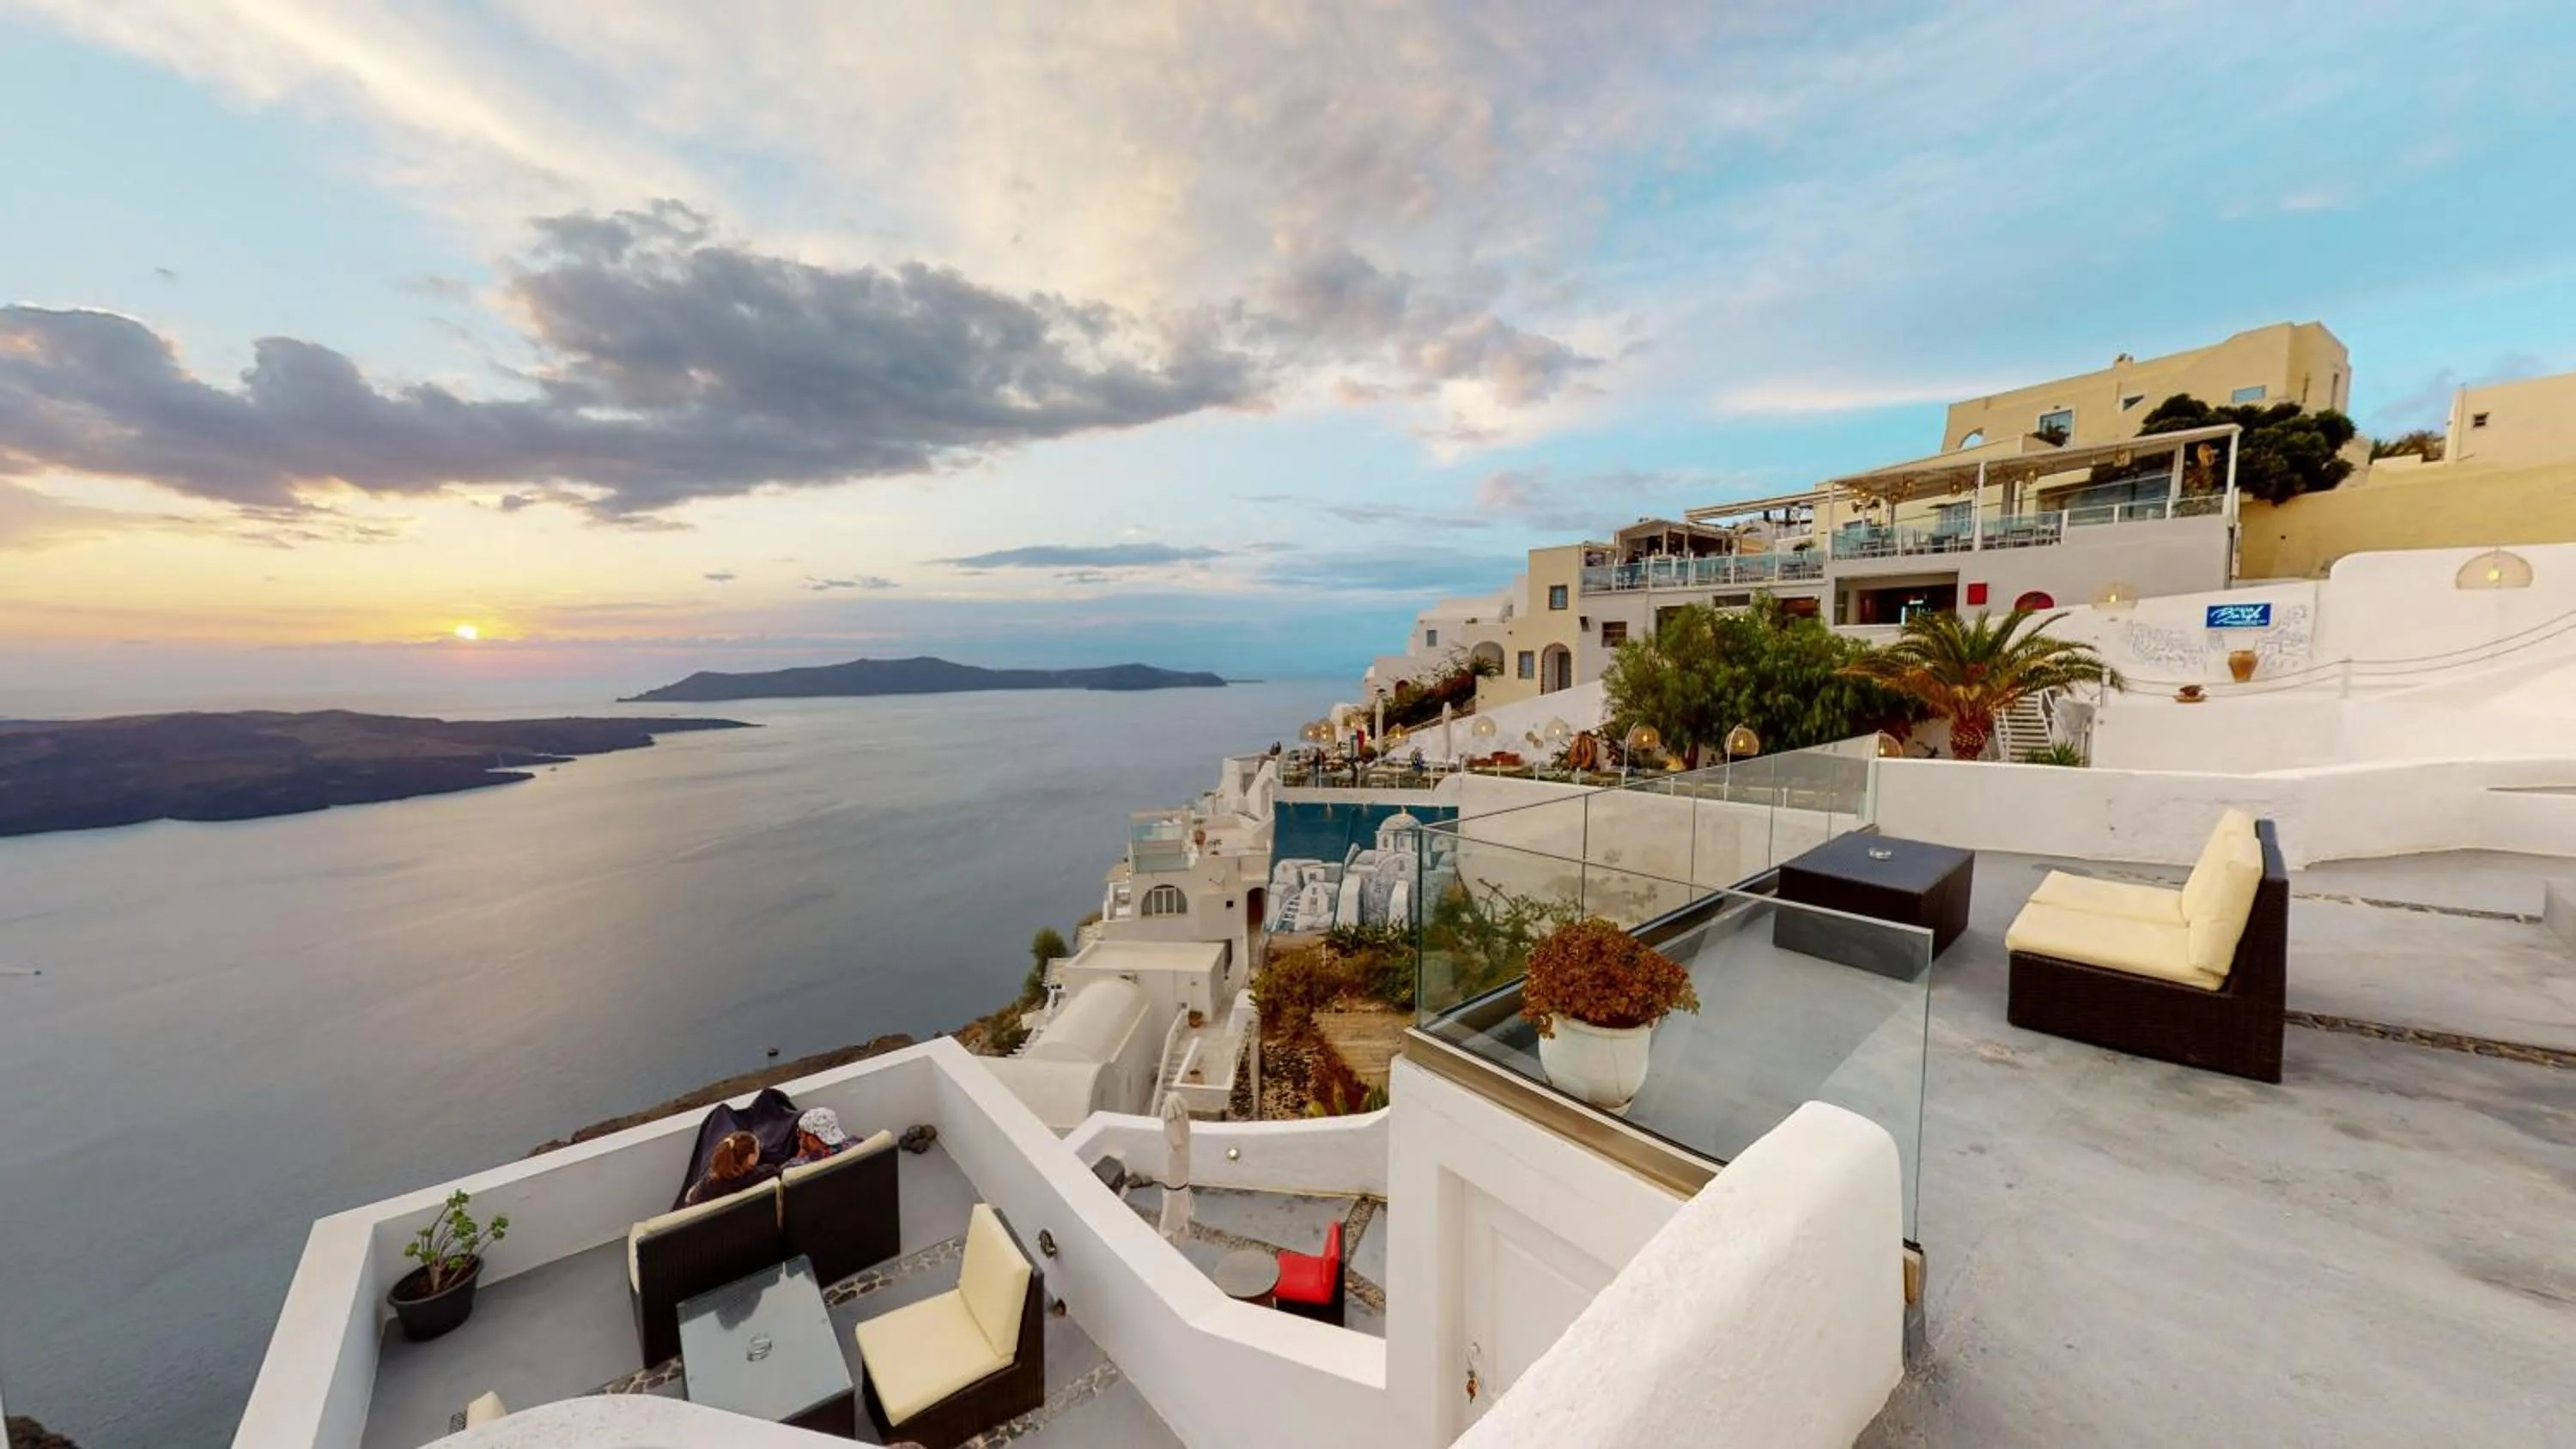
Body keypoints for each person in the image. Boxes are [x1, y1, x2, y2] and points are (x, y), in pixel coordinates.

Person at [681, 1130, 778, 1206]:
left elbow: (690, 1199)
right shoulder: (766, 1173)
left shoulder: (704, 1190)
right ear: (751, 1158)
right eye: (758, 1148)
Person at [787, 1106, 857, 1167]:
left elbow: (782, 1175)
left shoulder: (798, 1165)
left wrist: (803, 1147)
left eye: (800, 1132)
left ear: (809, 1137)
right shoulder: (855, 1143)